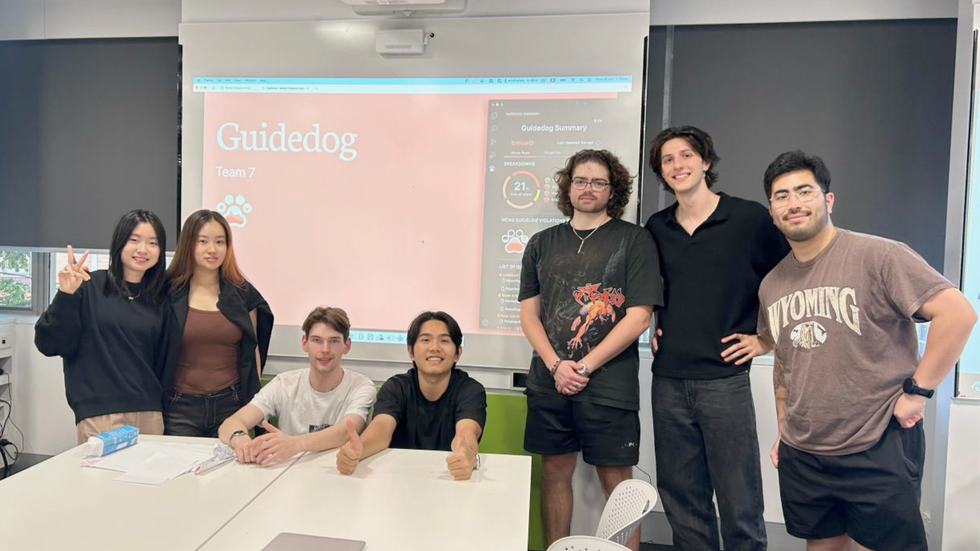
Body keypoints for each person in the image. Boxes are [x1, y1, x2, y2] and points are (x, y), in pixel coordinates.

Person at [758, 150, 976, 551]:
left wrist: (918, 392)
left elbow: (958, 313)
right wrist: (783, 426)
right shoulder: (771, 284)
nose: (793, 203)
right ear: (771, 211)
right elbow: (785, 364)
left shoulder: (879, 255)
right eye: (781, 195)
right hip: (804, 452)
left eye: (804, 191)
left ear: (828, 200)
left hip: (875, 442)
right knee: (821, 545)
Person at [644, 126, 788, 551]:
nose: (678, 165)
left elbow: (791, 280)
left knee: (739, 500)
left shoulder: (748, 219)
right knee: (683, 501)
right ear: (662, 172)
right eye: (668, 160)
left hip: (724, 381)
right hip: (668, 379)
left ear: (706, 162)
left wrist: (765, 340)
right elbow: (654, 289)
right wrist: (655, 321)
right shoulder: (656, 227)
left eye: (686, 155)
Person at [519, 149, 662, 550]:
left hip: (609, 386)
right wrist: (556, 366)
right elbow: (530, 315)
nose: (588, 188)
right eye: (581, 180)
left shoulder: (635, 240)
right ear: (568, 186)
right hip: (550, 382)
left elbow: (638, 317)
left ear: (612, 190)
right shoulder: (541, 243)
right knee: (554, 473)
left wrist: (580, 367)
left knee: (619, 486)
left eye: (599, 182)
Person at [35, 209, 175, 443]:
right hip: (100, 412)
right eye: (134, 240)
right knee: (101, 480)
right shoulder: (89, 286)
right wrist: (66, 293)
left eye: (153, 242)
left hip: (150, 412)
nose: (143, 249)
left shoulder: (160, 299)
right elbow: (49, 344)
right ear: (119, 243)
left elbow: (163, 361)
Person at [336, 311, 486, 481]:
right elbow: (381, 428)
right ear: (411, 351)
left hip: (447, 478)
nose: (434, 347)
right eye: (425, 340)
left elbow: (467, 431)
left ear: (458, 353)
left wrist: (466, 454)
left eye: (444, 340)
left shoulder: (470, 390)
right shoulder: (396, 387)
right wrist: (359, 450)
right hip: (398, 480)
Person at [218, 306, 376, 466]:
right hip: (287, 474)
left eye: (334, 341)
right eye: (317, 340)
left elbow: (345, 432)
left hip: (337, 472)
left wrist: (296, 444)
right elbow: (231, 423)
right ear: (304, 343)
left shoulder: (361, 386)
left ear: (346, 345)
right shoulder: (284, 384)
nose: (325, 349)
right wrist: (242, 442)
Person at [163, 210, 273, 437]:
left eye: (220, 242)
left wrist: (254, 401)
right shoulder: (167, 291)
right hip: (179, 407)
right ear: (188, 244)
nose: (212, 249)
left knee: (229, 471)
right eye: (203, 241)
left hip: (230, 406)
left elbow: (253, 352)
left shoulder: (243, 293)